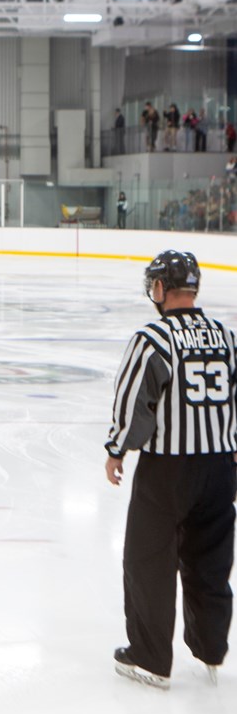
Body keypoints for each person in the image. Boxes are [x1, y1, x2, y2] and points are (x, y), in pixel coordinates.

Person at [105, 250, 234, 690]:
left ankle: (151, 658)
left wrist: (117, 449)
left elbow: (133, 401)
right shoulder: (226, 336)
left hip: (168, 471)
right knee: (211, 559)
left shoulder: (153, 338)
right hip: (221, 467)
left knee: (149, 560)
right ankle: (211, 649)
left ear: (161, 288)